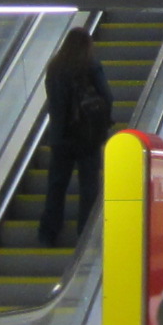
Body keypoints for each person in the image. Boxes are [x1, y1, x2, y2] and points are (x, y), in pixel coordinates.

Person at [40, 23, 113, 244]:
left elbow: (54, 101)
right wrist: (103, 122)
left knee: (56, 185)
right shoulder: (90, 64)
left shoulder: (55, 67)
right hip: (86, 135)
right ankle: (85, 234)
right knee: (88, 184)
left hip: (60, 135)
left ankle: (48, 233)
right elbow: (107, 96)